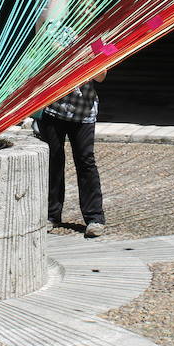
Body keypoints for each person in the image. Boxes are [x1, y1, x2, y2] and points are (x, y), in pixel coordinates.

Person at [40, 69, 108, 238]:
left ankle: (95, 218)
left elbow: (101, 77)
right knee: (53, 160)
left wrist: (88, 61)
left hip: (83, 110)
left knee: (86, 162)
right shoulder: (55, 41)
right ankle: (51, 215)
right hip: (54, 107)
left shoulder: (98, 42)